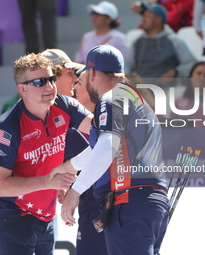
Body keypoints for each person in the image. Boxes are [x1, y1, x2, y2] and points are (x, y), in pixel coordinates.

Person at [51, 45, 169, 255]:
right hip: (147, 203)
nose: (82, 82)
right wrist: (69, 166)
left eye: (84, 75)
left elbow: (107, 146)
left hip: (130, 203)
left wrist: (75, 192)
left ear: (93, 73)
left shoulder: (111, 97)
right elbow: (102, 148)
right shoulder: (130, 97)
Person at [0, 53, 93, 255]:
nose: (49, 86)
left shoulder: (64, 105)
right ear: (22, 89)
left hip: (46, 211)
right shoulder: (7, 126)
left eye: (52, 79)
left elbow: (102, 131)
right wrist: (49, 183)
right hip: (12, 214)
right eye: (39, 82)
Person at [73, 70, 108, 255]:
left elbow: (104, 149)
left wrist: (73, 191)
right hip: (88, 207)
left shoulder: (110, 118)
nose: (74, 87)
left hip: (110, 208)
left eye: (79, 82)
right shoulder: (72, 126)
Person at [125, 3, 196, 87]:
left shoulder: (174, 41)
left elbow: (192, 64)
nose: (143, 19)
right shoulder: (137, 42)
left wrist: (175, 72)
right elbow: (127, 65)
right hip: (140, 92)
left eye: (148, 16)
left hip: (164, 92)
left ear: (158, 20)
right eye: (144, 16)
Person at [169, 61, 205, 127]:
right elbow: (170, 127)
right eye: (199, 73)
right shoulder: (178, 101)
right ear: (191, 77)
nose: (202, 77)